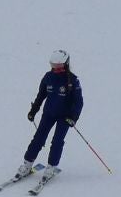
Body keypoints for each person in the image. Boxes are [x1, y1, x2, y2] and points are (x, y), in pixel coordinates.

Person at [14, 51, 83, 186]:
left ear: (65, 64)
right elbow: (41, 96)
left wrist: (73, 117)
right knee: (38, 138)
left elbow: (79, 102)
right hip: (49, 114)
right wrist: (33, 111)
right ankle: (27, 164)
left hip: (65, 117)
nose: (55, 68)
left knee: (57, 141)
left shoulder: (73, 81)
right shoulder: (48, 77)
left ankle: (51, 167)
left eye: (58, 65)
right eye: (53, 65)